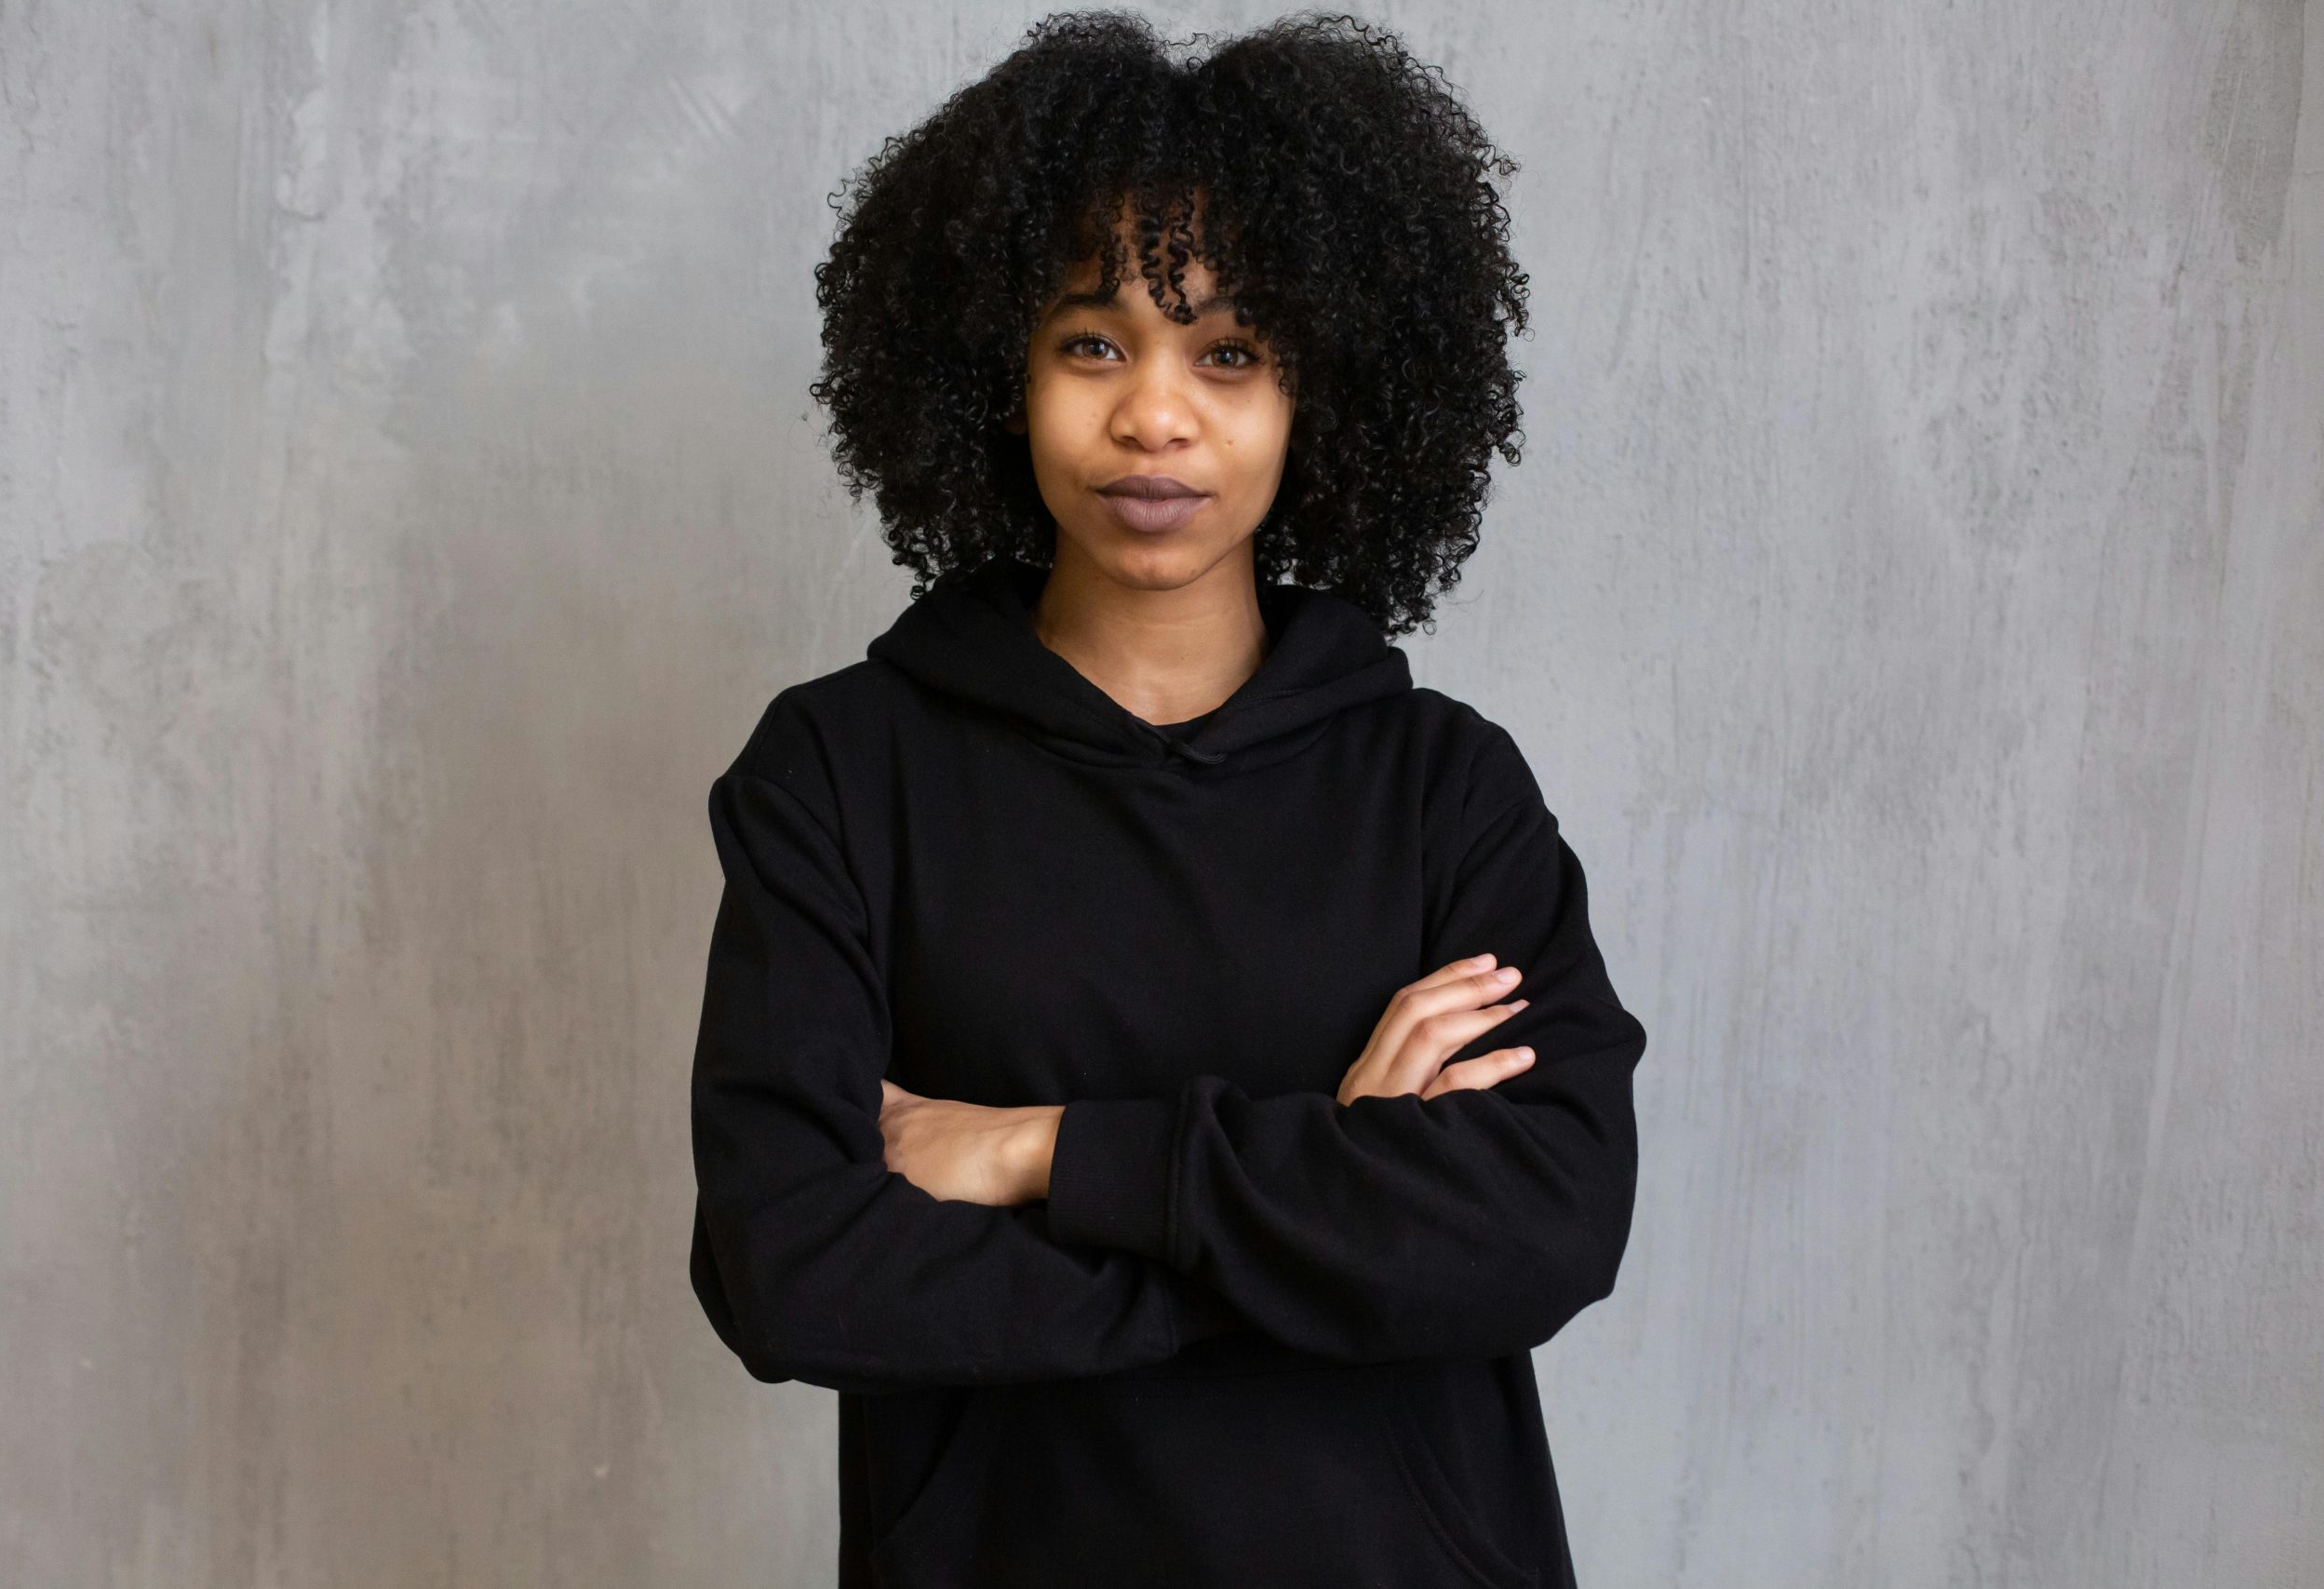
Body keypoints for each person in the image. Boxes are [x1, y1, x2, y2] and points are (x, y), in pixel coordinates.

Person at [689, 12, 1646, 1585]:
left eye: (1229, 353)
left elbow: (1542, 1222)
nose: (1155, 414)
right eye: (1091, 343)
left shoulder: (1443, 788)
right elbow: (789, 1269)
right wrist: (1326, 1190)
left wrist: (1041, 1155)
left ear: (1318, 396)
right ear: (999, 370)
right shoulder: (843, 774)